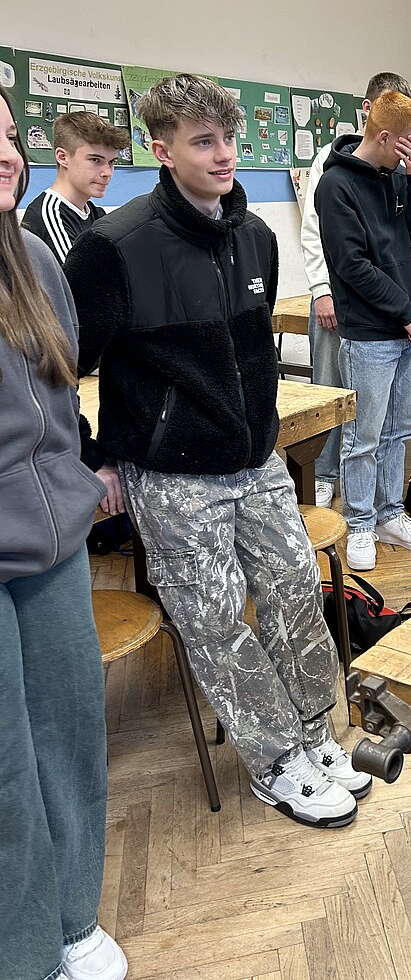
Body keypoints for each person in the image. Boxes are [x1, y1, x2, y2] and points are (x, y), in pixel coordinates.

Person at [63, 74, 368, 830]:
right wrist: (96, 455)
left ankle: (314, 735)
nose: (224, 154)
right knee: (216, 622)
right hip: (172, 476)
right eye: (203, 141)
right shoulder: (113, 247)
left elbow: (253, 358)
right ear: (162, 151)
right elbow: (62, 363)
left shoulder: (254, 236)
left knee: (295, 588)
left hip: (255, 460)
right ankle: (275, 761)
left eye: (229, 138)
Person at [0, 87, 127, 980]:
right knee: (5, 767)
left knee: (71, 733)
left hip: (52, 545)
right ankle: (25, 952)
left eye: (8, 134)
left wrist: (86, 476)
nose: (6, 154)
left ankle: (73, 916)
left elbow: (62, 393)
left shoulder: (36, 260)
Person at [299, 72, 411, 508]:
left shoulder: (400, 171)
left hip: (405, 324)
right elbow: (347, 260)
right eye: (409, 143)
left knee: (398, 429)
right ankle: (353, 510)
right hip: (365, 325)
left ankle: (389, 510)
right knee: (355, 425)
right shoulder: (334, 180)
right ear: (384, 135)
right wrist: (322, 289)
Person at [21, 111, 129, 264]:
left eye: (111, 162)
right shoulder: (49, 215)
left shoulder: (96, 213)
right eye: (95, 160)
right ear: (63, 157)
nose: (107, 173)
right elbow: (78, 277)